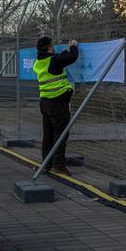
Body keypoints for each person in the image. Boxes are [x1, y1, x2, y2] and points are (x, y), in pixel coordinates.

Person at [33, 37, 80, 175]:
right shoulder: (53, 61)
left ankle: (46, 164)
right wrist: (73, 46)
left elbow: (60, 58)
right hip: (58, 103)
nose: (53, 48)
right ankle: (58, 165)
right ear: (49, 47)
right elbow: (72, 57)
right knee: (61, 135)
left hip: (45, 103)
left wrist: (64, 52)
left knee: (48, 135)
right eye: (52, 46)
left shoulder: (38, 62)